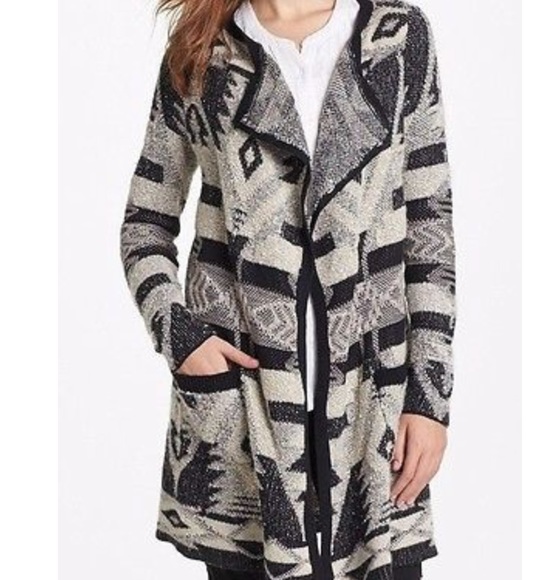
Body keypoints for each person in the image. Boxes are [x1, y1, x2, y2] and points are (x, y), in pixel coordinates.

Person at [119, 1, 456, 579]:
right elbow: (144, 224)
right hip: (244, 415)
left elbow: (431, 231)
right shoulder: (203, 51)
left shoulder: (397, 38)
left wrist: (429, 400)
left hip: (372, 408)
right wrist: (181, 338)